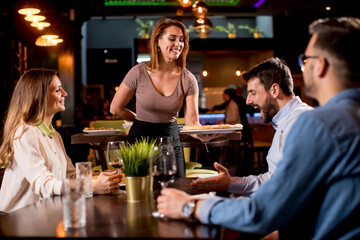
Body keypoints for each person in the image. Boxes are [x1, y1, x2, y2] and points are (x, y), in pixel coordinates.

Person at [157, 17, 360, 239]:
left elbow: (264, 211)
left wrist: (190, 207)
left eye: (305, 60)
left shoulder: (316, 124)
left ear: (320, 65)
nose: (302, 66)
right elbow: (281, 183)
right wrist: (230, 184)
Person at [0, 69, 121, 213]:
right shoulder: (24, 133)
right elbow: (43, 184)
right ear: (40, 96)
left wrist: (103, 178)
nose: (65, 94)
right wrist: (92, 187)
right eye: (58, 90)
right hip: (16, 220)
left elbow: (70, 175)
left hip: (43, 214)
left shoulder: (54, 135)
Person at [191, 57, 312, 196]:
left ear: (274, 90)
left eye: (253, 93)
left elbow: (287, 186)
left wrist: (228, 191)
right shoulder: (288, 119)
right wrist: (230, 183)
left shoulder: (299, 120)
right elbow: (278, 179)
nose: (248, 101)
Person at [110, 18, 200, 177]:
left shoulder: (188, 79)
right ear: (158, 41)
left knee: (175, 192)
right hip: (139, 142)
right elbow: (115, 108)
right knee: (140, 196)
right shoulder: (138, 72)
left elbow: (193, 123)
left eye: (181, 40)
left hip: (170, 142)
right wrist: (139, 119)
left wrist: (208, 134)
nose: (178, 43)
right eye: (172, 38)